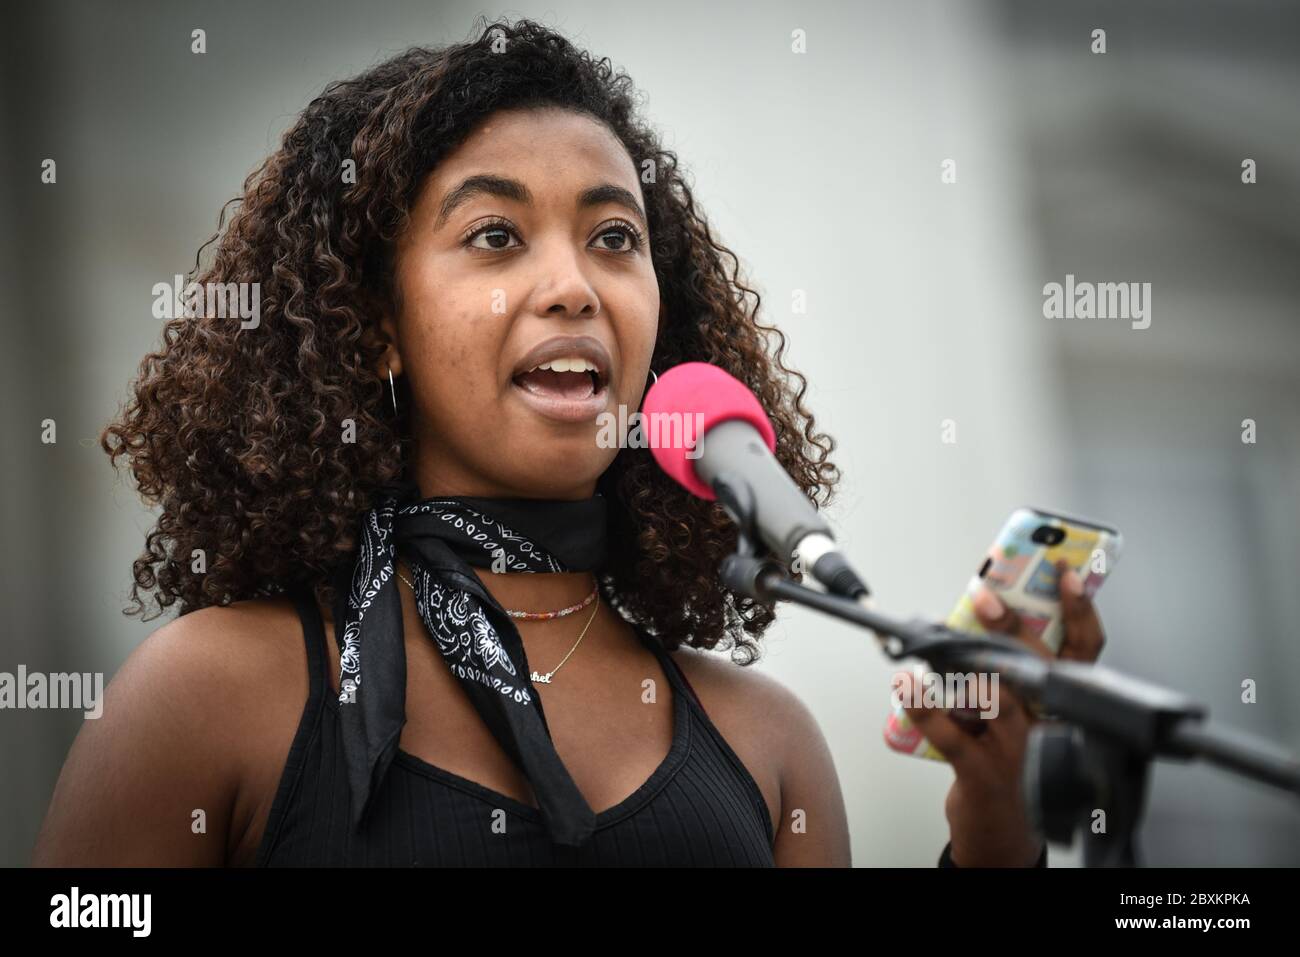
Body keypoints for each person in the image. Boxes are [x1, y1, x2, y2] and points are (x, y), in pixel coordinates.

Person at [31, 17, 1105, 868]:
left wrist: (993, 825)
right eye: (495, 235)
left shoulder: (764, 745)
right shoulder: (212, 691)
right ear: (374, 330)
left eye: (613, 238)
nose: (573, 286)